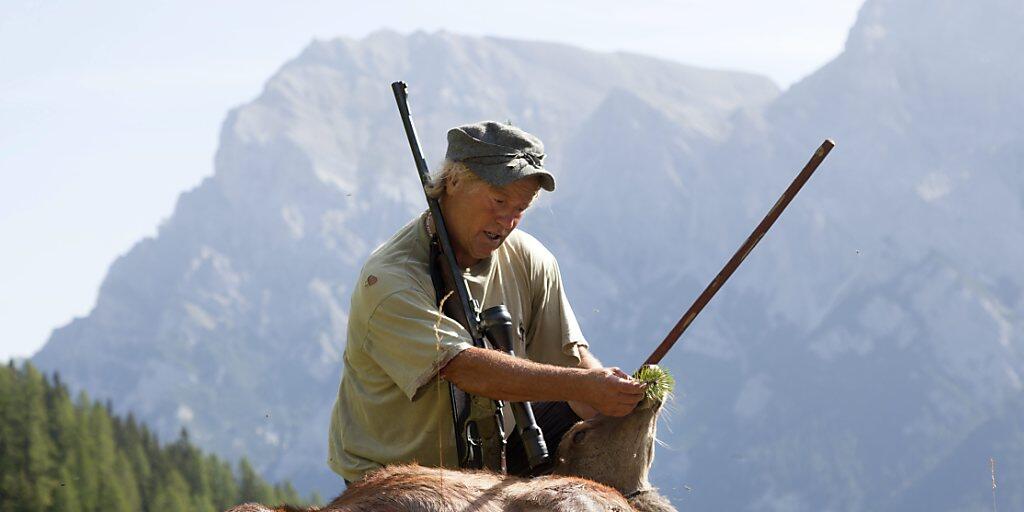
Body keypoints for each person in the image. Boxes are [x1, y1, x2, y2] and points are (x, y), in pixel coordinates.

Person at [327, 121, 645, 483]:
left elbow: (571, 363)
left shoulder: (529, 260)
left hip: (492, 466)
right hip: (391, 482)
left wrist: (616, 401)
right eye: (498, 201)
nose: (508, 220)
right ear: (453, 181)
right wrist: (585, 386)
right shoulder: (389, 281)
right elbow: (466, 369)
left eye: (520, 208)